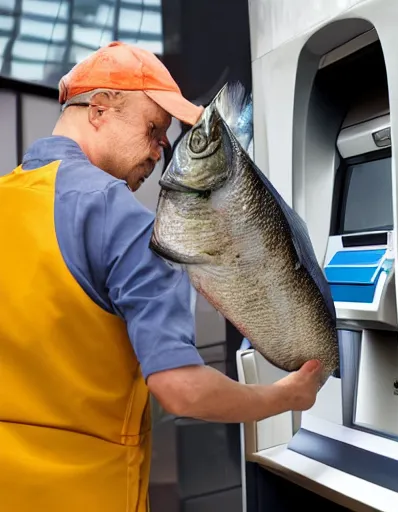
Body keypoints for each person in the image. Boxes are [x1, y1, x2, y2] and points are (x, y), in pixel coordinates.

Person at [0, 41, 323, 512]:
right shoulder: (124, 222)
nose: (160, 152)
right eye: (154, 129)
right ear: (99, 109)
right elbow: (182, 389)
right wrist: (284, 396)